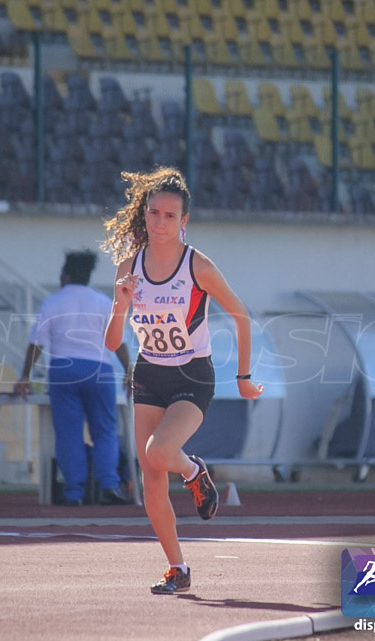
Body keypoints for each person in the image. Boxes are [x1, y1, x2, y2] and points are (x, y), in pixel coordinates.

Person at [102, 167, 263, 594]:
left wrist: (243, 376)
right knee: (150, 474)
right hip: (149, 373)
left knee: (160, 453)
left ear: (184, 221)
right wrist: (120, 304)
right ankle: (178, 568)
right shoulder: (129, 266)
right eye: (154, 213)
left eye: (170, 216)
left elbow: (241, 316)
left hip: (192, 374)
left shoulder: (198, 267)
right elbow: (111, 340)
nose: (159, 222)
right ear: (145, 215)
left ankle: (194, 473)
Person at [13, 249, 132, 506]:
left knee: (68, 432)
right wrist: (129, 370)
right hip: (99, 370)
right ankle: (109, 484)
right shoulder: (103, 303)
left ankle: (73, 492)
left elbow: (36, 343)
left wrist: (25, 376)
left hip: (63, 370)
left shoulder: (52, 303)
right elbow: (118, 341)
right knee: (105, 430)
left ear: (65, 275)